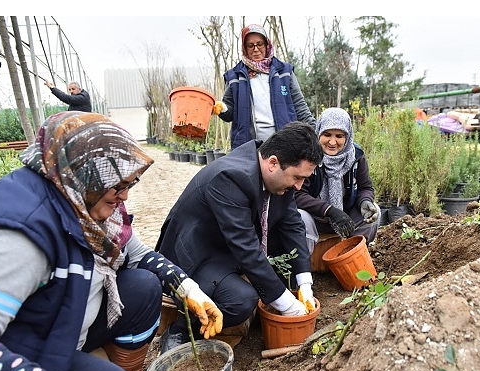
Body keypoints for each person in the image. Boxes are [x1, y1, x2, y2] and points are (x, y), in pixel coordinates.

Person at [0, 111, 222, 371]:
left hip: (62, 324)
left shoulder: (81, 202)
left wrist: (189, 289)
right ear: (83, 170)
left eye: (130, 184)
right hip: (26, 350)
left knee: (144, 286)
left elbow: (140, 255)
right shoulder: (23, 232)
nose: (124, 195)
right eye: (117, 185)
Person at [155, 121, 324, 353]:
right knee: (241, 300)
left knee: (303, 225)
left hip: (230, 242)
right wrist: (286, 303)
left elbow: (292, 224)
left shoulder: (276, 175)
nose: (299, 186)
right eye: (297, 177)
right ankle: (181, 330)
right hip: (199, 253)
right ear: (273, 163)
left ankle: (269, 290)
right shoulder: (229, 178)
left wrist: (304, 284)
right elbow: (246, 248)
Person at [212, 23, 315, 150]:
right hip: (248, 147)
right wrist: (221, 108)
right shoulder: (235, 77)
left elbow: (300, 107)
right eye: (250, 45)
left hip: (285, 145)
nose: (256, 49)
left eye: (259, 44)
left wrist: (316, 134)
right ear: (244, 48)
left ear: (267, 45)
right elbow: (230, 113)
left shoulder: (284, 72)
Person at [294, 107, 380, 255]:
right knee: (299, 217)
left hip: (345, 215)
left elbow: (365, 187)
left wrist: (365, 201)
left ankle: (352, 257)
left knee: (375, 211)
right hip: (315, 217)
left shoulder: (355, 156)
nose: (332, 142)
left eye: (339, 136)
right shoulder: (308, 155)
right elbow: (298, 195)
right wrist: (329, 210)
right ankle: (304, 267)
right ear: (318, 132)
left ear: (347, 137)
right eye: (327, 134)